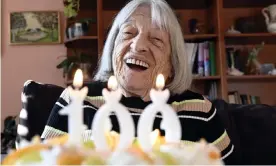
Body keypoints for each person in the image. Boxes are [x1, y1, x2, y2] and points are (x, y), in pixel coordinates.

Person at [41, 0, 238, 164]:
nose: (139, 45)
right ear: (113, 47)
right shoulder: (78, 98)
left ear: (172, 63)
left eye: (156, 40)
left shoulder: (199, 110)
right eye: (128, 33)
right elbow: (41, 160)